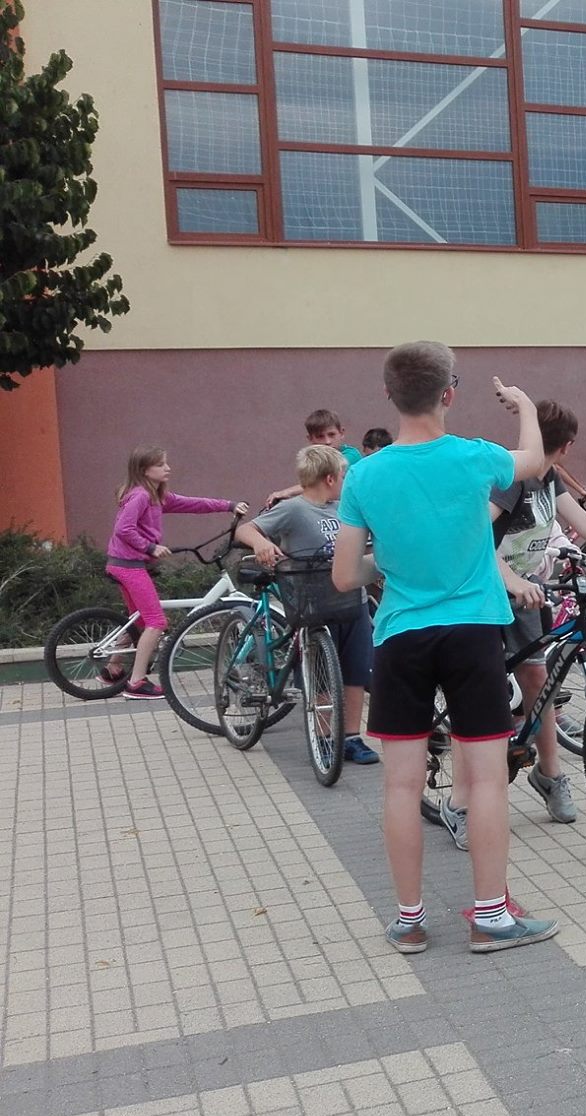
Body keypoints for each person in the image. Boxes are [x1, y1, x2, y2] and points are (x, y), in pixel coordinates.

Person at [332, 341, 558, 955]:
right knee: (484, 782)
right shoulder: (475, 457)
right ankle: (491, 918)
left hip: (400, 637)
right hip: (472, 634)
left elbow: (345, 575)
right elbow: (534, 460)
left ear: (389, 394)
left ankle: (409, 921)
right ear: (449, 394)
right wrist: (524, 406)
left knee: (401, 787)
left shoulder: (364, 474)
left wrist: (393, 562)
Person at [433, 399, 586, 840]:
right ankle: (460, 804)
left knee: (540, 680)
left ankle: (550, 775)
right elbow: (473, 535)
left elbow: (585, 523)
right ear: (569, 445)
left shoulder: (548, 477)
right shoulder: (511, 479)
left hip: (524, 593)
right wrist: (512, 579)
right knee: (478, 699)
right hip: (480, 594)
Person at [235, 444, 380, 765]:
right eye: (343, 475)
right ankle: (325, 737)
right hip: (313, 604)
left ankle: (351, 738)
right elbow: (246, 529)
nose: (345, 481)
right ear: (330, 478)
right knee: (322, 675)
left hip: (352, 600)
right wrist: (261, 543)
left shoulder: (345, 508)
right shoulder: (294, 510)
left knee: (356, 672)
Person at [104, 446, 249, 700]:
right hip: (129, 565)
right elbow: (123, 529)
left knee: (140, 620)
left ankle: (113, 668)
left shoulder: (157, 496)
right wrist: (150, 547)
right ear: (144, 470)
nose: (167, 468)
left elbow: (194, 504)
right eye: (161, 464)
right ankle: (136, 683)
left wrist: (229, 505)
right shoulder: (140, 496)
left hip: (125, 563)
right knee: (156, 622)